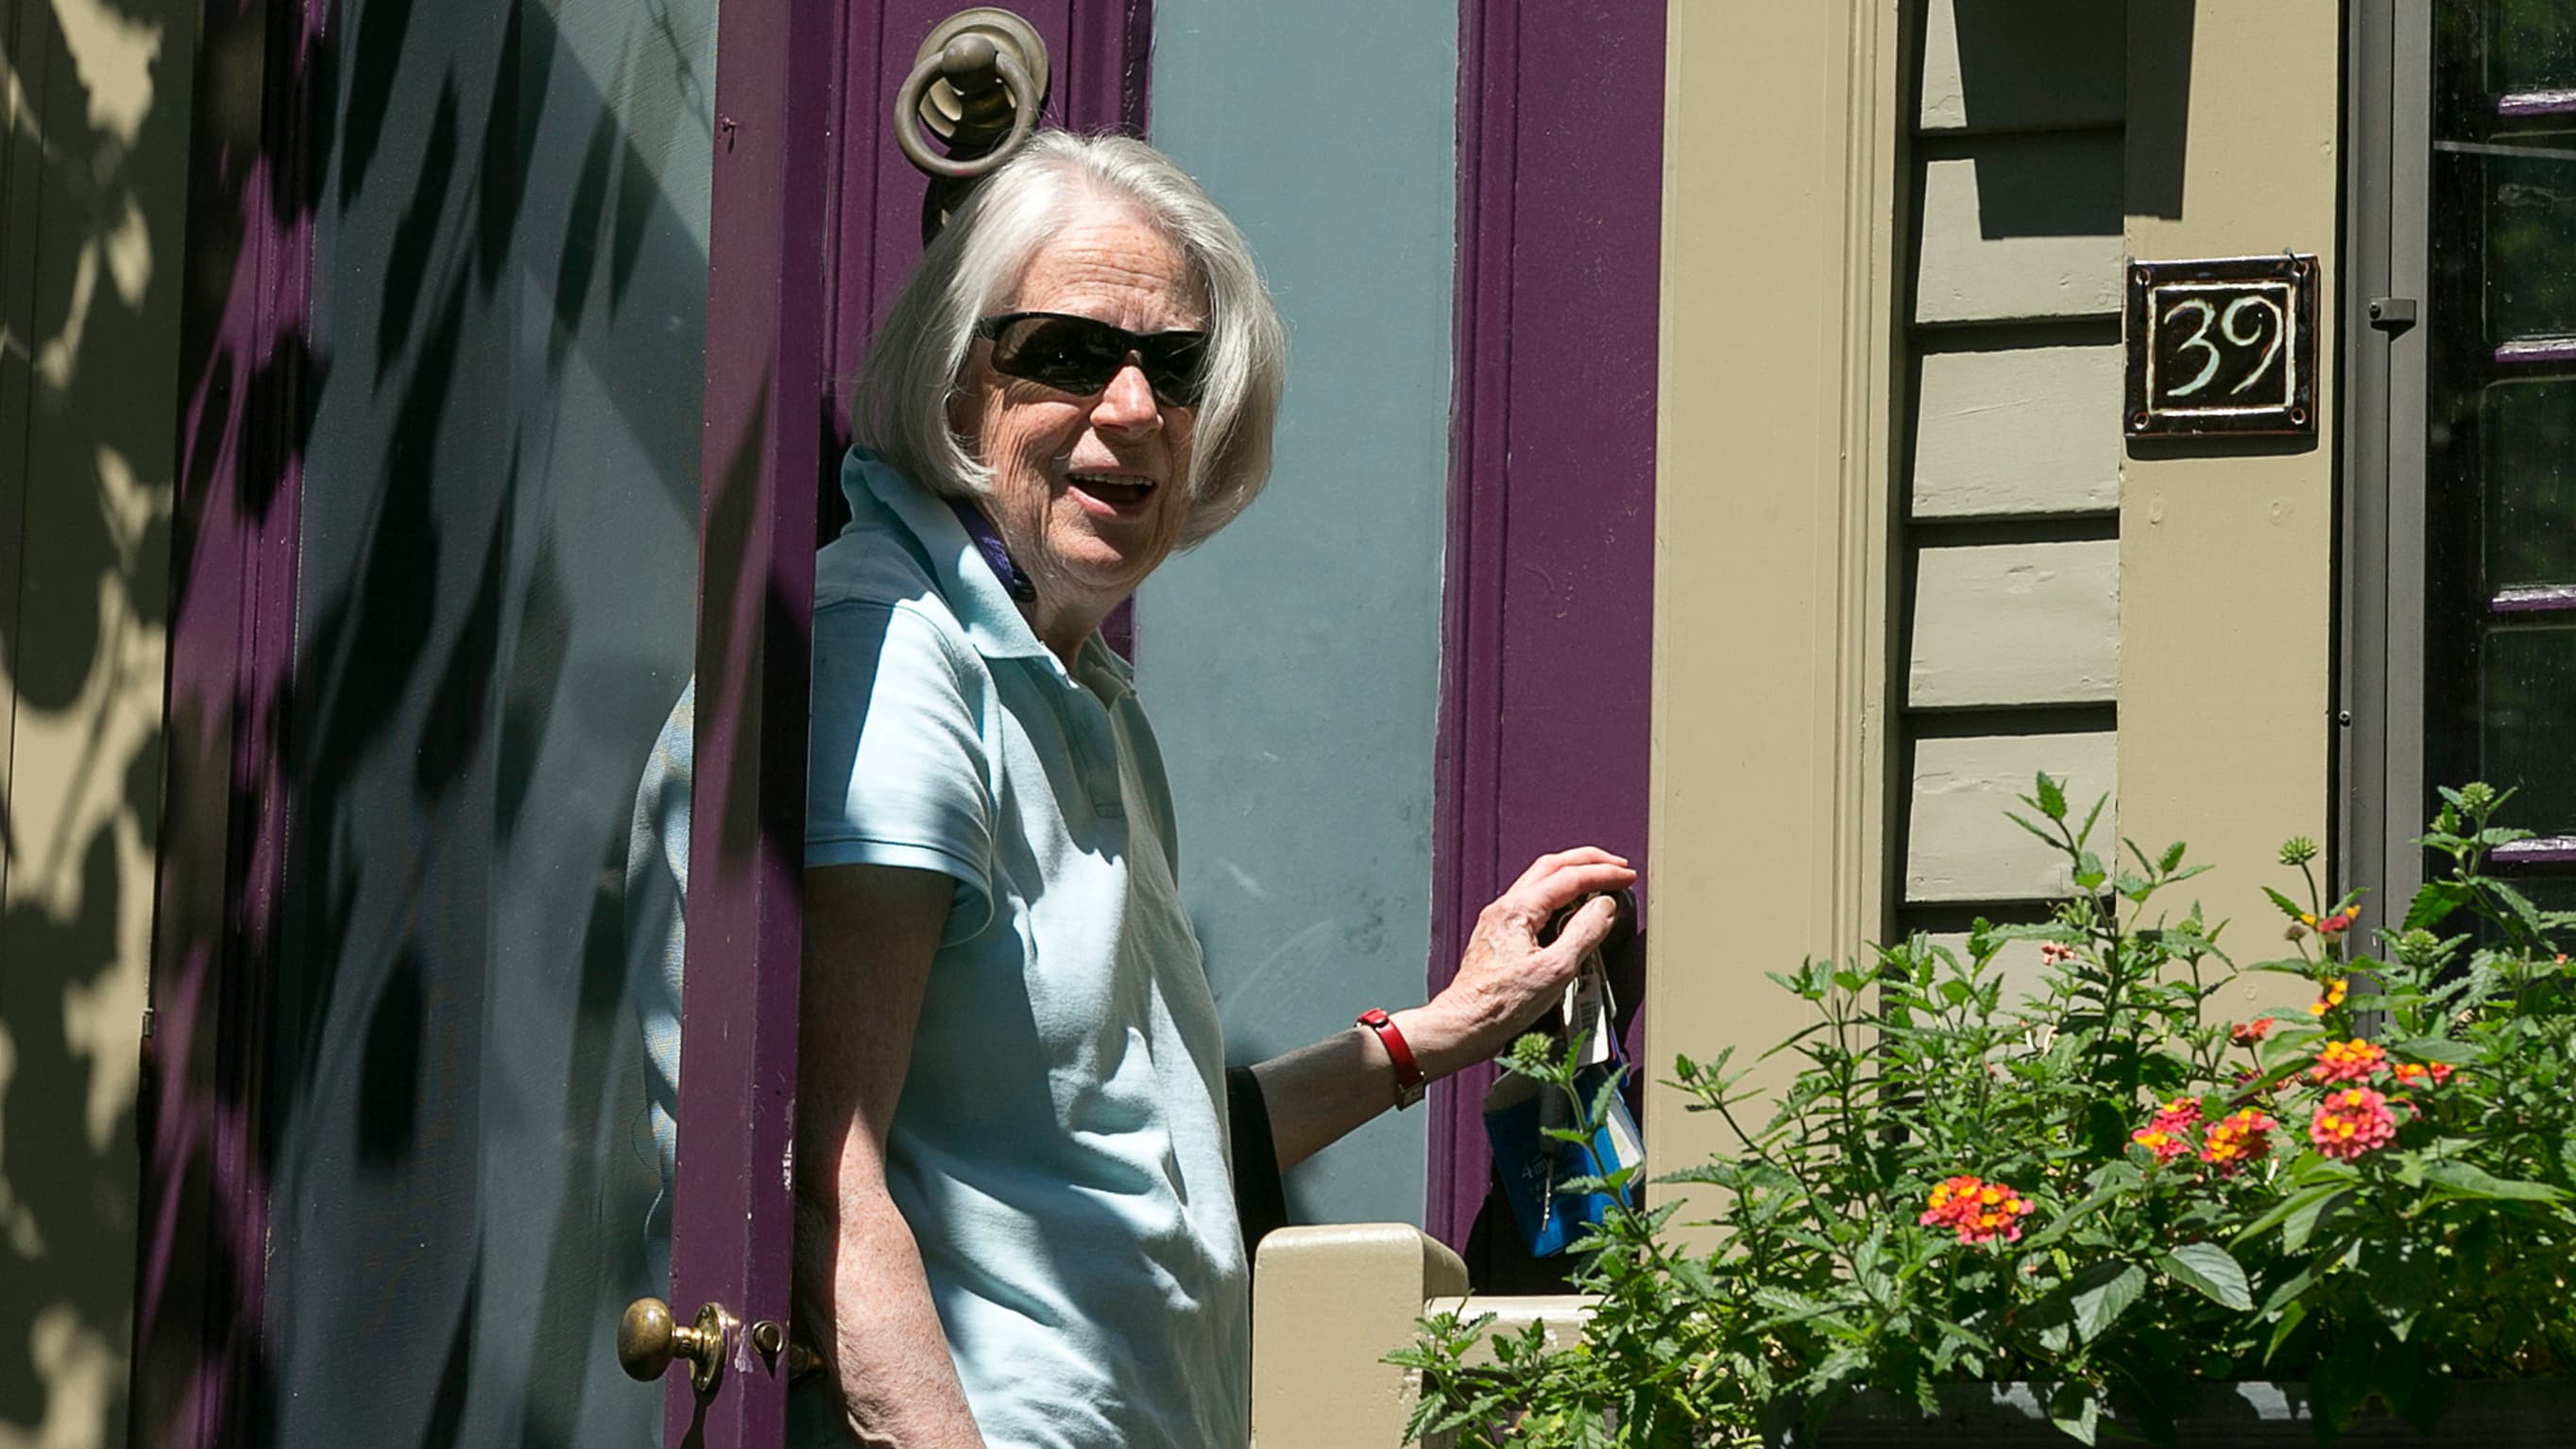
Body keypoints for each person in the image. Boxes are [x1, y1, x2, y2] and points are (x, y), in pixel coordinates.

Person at [633, 129, 1634, 1448]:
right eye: (1063, 353)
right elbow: (819, 1177)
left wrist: (1436, 1033)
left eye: (1176, 367)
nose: (1133, 409)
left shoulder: (1075, 693)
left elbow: (1141, 1159)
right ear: (950, 387)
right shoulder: (886, 666)